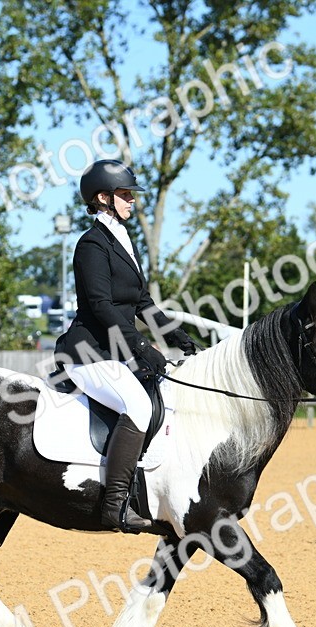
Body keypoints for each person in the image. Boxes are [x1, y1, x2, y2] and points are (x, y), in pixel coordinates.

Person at [54, 159, 199, 532]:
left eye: (131, 194)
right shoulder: (90, 245)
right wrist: (140, 346)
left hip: (116, 350)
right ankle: (115, 505)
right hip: (88, 352)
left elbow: (142, 303)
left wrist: (180, 339)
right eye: (125, 194)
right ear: (103, 198)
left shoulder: (123, 240)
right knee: (136, 405)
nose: (132, 200)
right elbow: (101, 306)